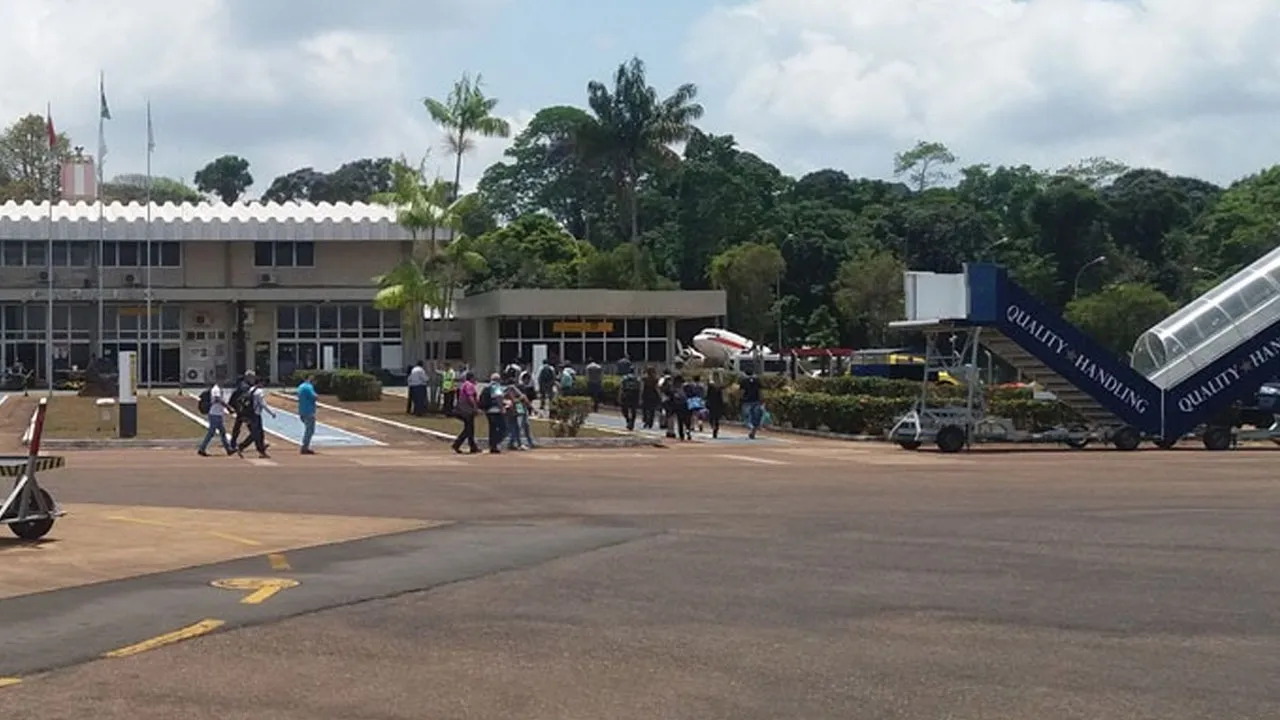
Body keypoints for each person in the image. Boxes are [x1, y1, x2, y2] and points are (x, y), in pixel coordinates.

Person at [235, 377, 277, 458]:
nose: (264, 385)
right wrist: (271, 413)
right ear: (260, 383)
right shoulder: (259, 392)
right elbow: (263, 404)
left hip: (249, 414)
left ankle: (261, 451)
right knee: (256, 434)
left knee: (258, 433)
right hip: (255, 415)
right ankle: (242, 447)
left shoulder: (251, 390)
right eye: (263, 383)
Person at [197, 378, 233, 456]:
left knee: (222, 432)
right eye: (222, 380)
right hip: (214, 414)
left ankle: (228, 449)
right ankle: (202, 448)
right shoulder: (216, 389)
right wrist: (227, 407)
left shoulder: (219, 389)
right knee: (211, 432)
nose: (224, 382)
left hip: (218, 414)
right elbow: (218, 399)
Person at [451, 371, 480, 454]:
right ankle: (457, 444)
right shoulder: (469, 385)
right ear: (471, 378)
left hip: (464, 409)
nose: (475, 379)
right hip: (466, 410)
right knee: (468, 429)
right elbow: (470, 397)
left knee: (470, 428)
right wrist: (475, 408)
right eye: (474, 377)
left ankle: (473, 447)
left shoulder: (465, 384)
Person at [227, 370, 256, 447]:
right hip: (244, 410)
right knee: (254, 429)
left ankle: (233, 443)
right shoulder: (245, 387)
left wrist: (230, 405)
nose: (254, 379)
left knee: (238, 425)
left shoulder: (242, 385)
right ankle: (241, 445)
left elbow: (234, 395)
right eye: (252, 377)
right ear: (248, 377)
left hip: (240, 409)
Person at [481, 372, 507, 453]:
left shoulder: (487, 387)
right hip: (496, 411)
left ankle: (493, 446)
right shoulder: (496, 387)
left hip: (488, 411)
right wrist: (502, 408)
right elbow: (499, 398)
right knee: (504, 429)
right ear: (498, 379)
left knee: (492, 429)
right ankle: (494, 443)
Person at [739, 367, 764, 439]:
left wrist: (740, 399)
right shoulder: (757, 380)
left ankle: (751, 428)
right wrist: (762, 399)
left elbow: (742, 391)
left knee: (746, 417)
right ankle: (753, 431)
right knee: (755, 417)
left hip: (746, 401)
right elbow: (760, 391)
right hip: (756, 400)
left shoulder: (743, 381)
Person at [296, 374, 318, 455]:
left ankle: (305, 446)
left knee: (308, 429)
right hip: (309, 411)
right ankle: (305, 447)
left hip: (301, 410)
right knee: (310, 430)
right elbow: (314, 396)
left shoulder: (300, 386)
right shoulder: (309, 387)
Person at [705, 371, 725, 439]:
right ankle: (715, 428)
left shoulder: (711, 385)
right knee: (716, 418)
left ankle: (714, 428)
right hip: (718, 403)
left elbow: (707, 394)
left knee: (712, 417)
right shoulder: (720, 385)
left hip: (712, 403)